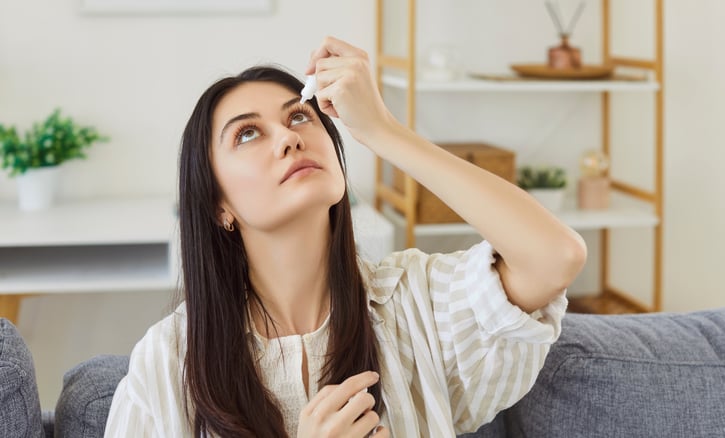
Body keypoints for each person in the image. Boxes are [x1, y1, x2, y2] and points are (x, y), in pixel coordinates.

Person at [104, 36, 586, 437]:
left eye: (298, 116)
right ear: (219, 206)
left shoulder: (415, 306)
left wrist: (382, 128)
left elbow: (555, 256)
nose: (289, 137)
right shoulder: (168, 365)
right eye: (247, 134)